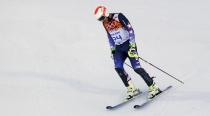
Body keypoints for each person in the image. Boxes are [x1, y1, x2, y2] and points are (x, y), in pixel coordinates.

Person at [94, 5, 161, 100]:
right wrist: (112, 50)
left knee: (136, 68)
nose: (101, 20)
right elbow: (109, 36)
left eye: (101, 18)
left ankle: (153, 87)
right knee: (118, 67)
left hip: (128, 45)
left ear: (105, 13)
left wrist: (132, 46)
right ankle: (132, 89)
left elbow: (131, 30)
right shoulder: (104, 23)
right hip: (118, 48)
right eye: (99, 19)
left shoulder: (119, 16)